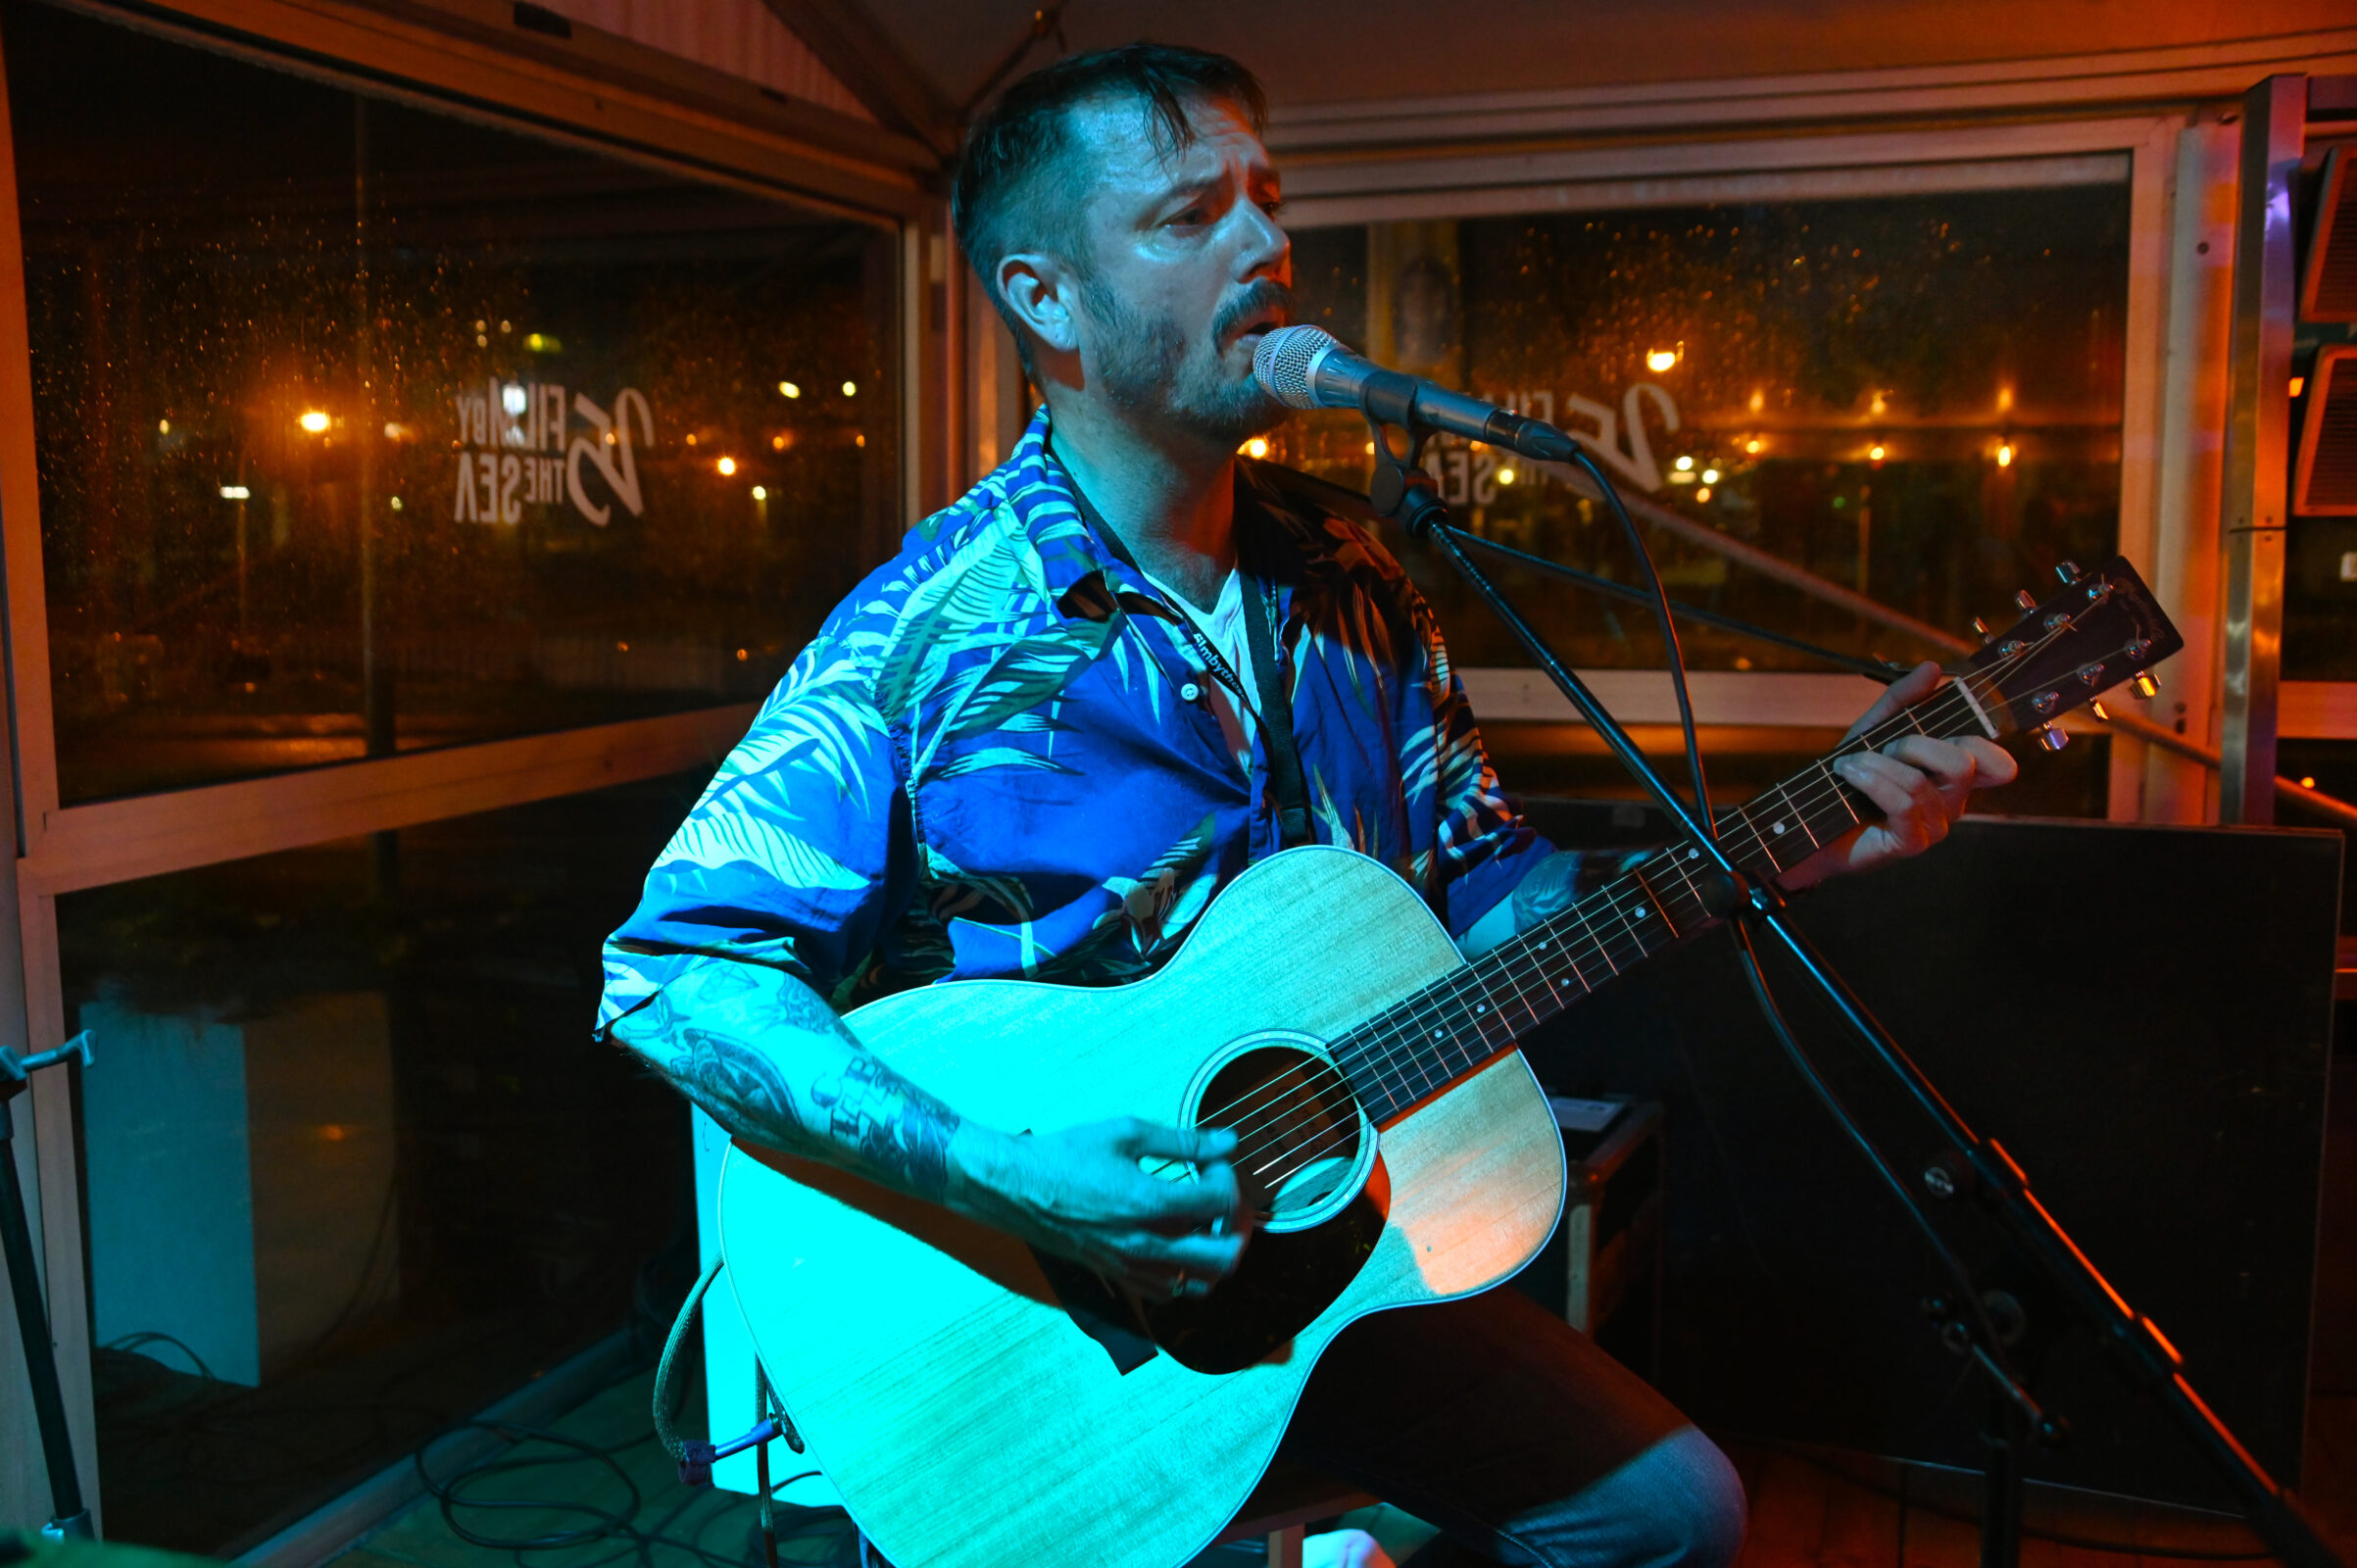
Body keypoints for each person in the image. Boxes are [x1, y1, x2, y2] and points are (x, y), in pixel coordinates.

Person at [597, 43, 2017, 1568]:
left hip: (1332, 1262)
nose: (1264, 245)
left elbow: (1494, 897)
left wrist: (1787, 844)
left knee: (1669, 1515)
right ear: (1045, 299)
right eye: (1187, 215)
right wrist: (1007, 1174)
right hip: (1041, 1353)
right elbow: (673, 983)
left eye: (1264, 200)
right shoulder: (931, 629)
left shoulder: (1352, 578)